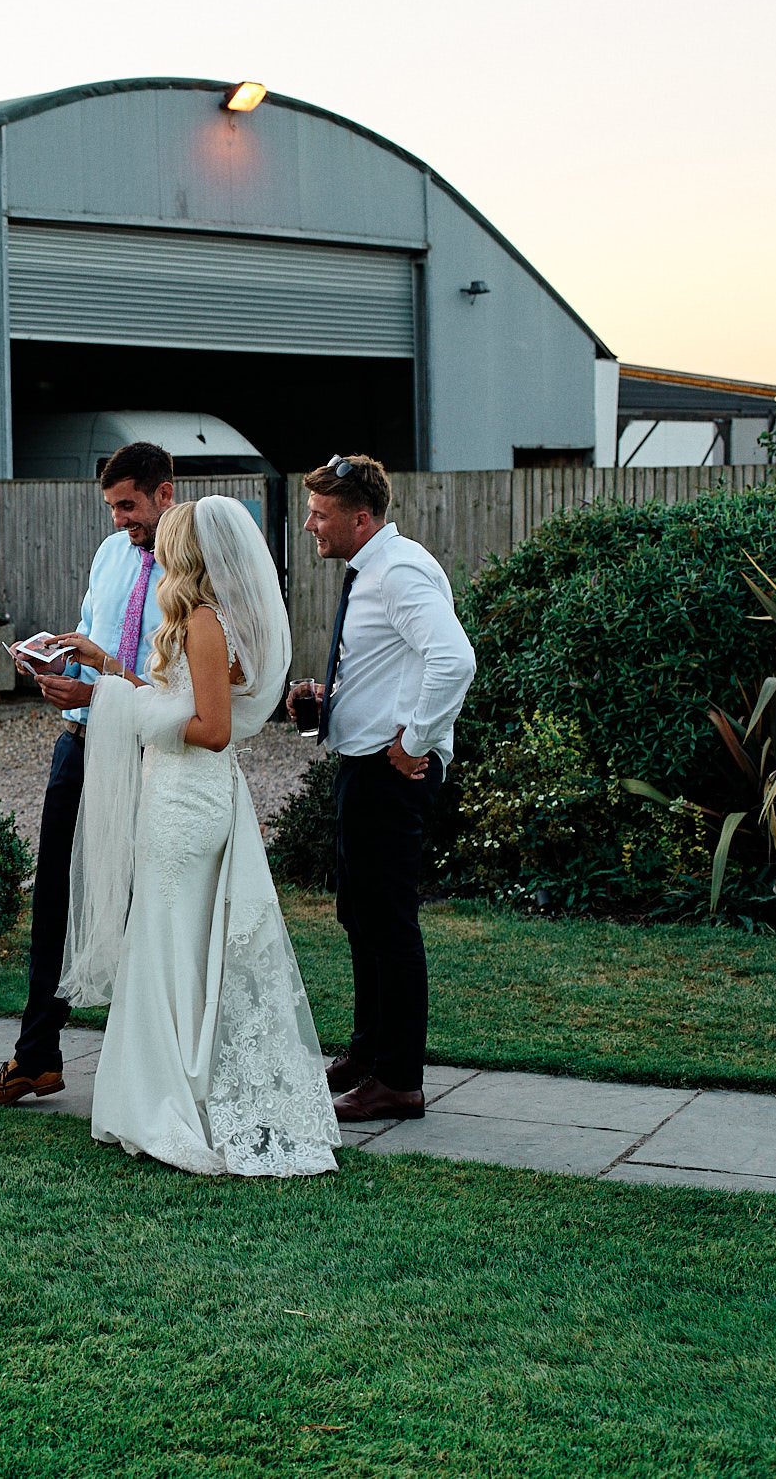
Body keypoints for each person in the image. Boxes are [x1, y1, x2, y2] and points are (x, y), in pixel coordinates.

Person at [47, 498, 340, 1175]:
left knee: (169, 939)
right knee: (173, 937)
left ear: (186, 555)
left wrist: (113, 704)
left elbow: (210, 729)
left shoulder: (206, 624)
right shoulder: (205, 621)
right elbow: (177, 699)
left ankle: (173, 1100)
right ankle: (169, 1089)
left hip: (188, 798)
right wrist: (106, 671)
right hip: (181, 794)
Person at [0, 440, 177, 1108]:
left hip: (149, 752)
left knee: (144, 904)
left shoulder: (196, 562)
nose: (118, 520)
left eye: (128, 506)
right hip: (77, 743)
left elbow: (179, 681)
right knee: (54, 893)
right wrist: (57, 665)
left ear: (165, 493)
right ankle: (35, 1057)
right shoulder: (111, 553)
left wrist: (102, 689)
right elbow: (91, 630)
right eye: (111, 507)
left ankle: (144, 1064)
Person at [283, 455, 476, 1123]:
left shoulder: (400, 570)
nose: (310, 523)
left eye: (320, 513)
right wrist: (326, 699)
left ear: (360, 518)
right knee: (359, 915)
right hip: (362, 767)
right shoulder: (371, 572)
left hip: (390, 777)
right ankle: (368, 1054)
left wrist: (414, 739)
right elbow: (394, 665)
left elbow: (454, 657)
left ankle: (399, 1079)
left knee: (389, 922)